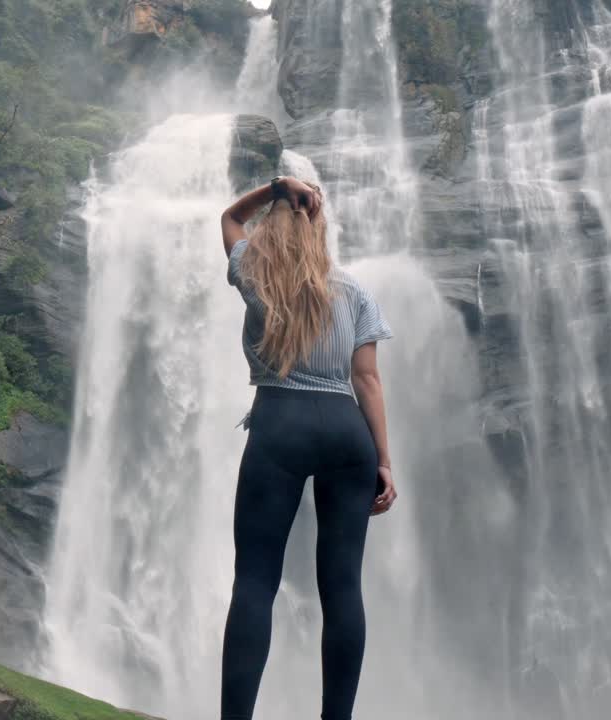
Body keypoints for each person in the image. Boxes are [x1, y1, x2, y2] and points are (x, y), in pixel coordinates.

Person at [219, 175, 396, 720]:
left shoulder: (257, 273)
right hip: (348, 432)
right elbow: (367, 380)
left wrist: (276, 190)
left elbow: (228, 219)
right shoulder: (356, 291)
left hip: (280, 423)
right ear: (320, 228)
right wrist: (385, 461)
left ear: (271, 226)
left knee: (255, 580)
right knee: (343, 585)